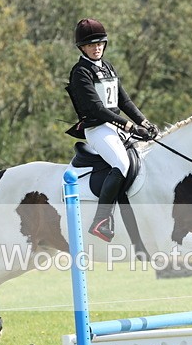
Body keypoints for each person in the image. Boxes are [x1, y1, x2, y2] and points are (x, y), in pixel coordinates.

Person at [66, 18, 159, 242]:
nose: (96, 48)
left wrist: (144, 122)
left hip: (114, 126)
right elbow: (96, 109)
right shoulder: (80, 72)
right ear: (82, 48)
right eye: (91, 45)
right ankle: (101, 219)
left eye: (100, 44)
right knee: (122, 163)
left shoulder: (107, 67)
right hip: (97, 128)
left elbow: (124, 101)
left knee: (148, 156)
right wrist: (128, 125)